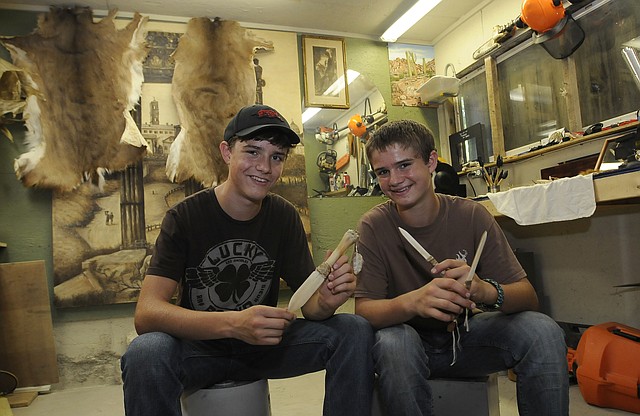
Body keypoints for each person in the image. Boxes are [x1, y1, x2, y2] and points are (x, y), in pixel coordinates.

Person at [121, 104, 374, 416]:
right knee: (146, 352)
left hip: (262, 349)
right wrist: (234, 324)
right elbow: (146, 314)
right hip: (201, 349)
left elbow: (309, 307)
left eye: (276, 156)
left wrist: (328, 299)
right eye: (253, 152)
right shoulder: (185, 217)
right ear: (227, 152)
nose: (265, 167)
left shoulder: (283, 217)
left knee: (354, 330)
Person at [354, 119, 569, 416]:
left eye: (404, 165)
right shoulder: (374, 226)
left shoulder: (471, 216)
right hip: (406, 346)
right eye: (383, 172)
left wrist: (483, 290)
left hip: (466, 337)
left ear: (431, 162)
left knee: (542, 331)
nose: (394, 179)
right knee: (393, 342)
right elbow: (364, 311)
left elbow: (528, 296)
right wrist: (415, 301)